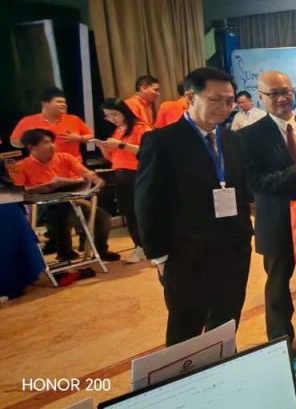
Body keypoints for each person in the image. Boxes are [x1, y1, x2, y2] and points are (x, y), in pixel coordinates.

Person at [135, 67, 252, 347]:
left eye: (229, 100)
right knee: (185, 332)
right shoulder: (162, 141)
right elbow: (147, 202)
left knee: (226, 326)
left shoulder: (232, 139)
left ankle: (224, 369)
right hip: (187, 256)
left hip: (233, 252)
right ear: (190, 97)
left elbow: (239, 192)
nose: (225, 107)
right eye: (215, 99)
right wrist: (159, 257)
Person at [239, 70, 296, 347]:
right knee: (278, 286)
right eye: (273, 93)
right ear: (261, 97)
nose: (281, 98)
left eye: (286, 92)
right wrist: (290, 176)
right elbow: (252, 182)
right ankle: (280, 342)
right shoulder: (249, 135)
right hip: (277, 223)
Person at [12, 129, 118, 262]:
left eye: (52, 142)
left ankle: (101, 250)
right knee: (61, 211)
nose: (52, 146)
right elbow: (19, 191)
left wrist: (96, 180)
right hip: (40, 205)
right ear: (32, 147)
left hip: (68, 200)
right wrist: (41, 188)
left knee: (101, 216)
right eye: (46, 143)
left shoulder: (64, 157)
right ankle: (65, 252)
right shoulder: (21, 166)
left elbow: (86, 173)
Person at [98, 98, 152, 263]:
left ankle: (152, 246)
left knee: (144, 211)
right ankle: (140, 246)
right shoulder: (118, 131)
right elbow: (113, 158)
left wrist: (121, 145)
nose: (112, 119)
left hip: (139, 173)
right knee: (129, 212)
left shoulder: (141, 128)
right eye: (108, 117)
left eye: (114, 114)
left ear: (124, 111)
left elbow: (147, 151)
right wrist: (104, 148)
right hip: (121, 174)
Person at [10, 88, 93, 161]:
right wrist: (34, 140)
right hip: (42, 167)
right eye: (59, 102)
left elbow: (91, 136)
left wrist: (79, 138)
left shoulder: (74, 119)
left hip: (73, 166)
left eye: (64, 102)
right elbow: (14, 142)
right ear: (45, 104)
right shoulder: (27, 121)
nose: (64, 104)